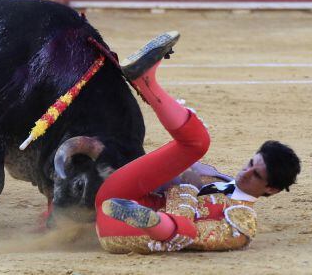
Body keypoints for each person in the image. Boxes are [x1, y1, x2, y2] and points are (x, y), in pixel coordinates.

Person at [96, 31, 301, 253]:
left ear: (271, 189)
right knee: (197, 144)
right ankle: (146, 81)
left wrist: (186, 189)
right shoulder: (213, 177)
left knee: (187, 229)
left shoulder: (240, 223)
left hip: (120, 231)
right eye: (251, 163)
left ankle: (153, 221)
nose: (246, 171)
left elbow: (195, 239)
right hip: (114, 197)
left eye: (257, 175)